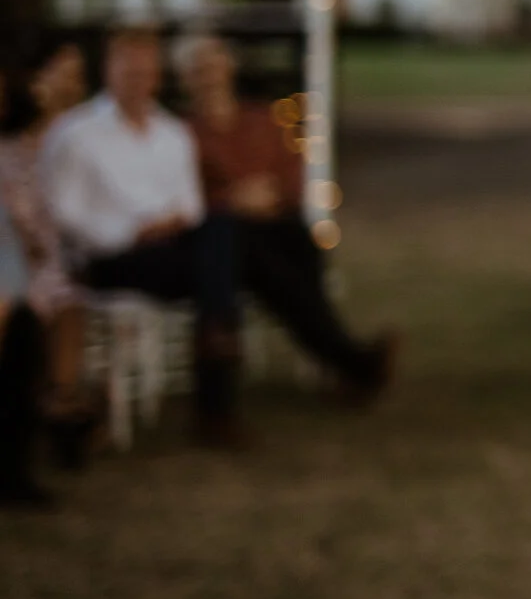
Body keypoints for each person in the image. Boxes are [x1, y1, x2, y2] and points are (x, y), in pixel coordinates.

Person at [40, 27, 243, 443]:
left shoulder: (173, 133)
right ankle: (217, 387)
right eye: (129, 70)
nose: (138, 81)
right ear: (108, 70)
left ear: (157, 76)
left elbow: (191, 204)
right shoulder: (77, 134)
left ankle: (216, 365)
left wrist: (170, 222)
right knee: (228, 264)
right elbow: (64, 213)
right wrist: (131, 231)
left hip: (171, 248)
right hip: (108, 256)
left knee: (220, 234)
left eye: (146, 72)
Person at [177, 34, 395, 403]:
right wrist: (231, 200)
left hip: (275, 221)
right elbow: (180, 194)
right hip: (225, 235)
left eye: (213, 65)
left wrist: (271, 195)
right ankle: (352, 362)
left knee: (299, 247)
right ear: (186, 78)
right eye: (198, 69)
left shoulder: (261, 119)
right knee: (268, 264)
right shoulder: (182, 133)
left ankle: (345, 364)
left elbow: (291, 170)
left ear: (229, 68)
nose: (208, 76)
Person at [0, 49, 99, 467]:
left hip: (29, 261)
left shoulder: (24, 149)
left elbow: (40, 217)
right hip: (11, 264)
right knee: (24, 307)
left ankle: (61, 404)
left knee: (66, 298)